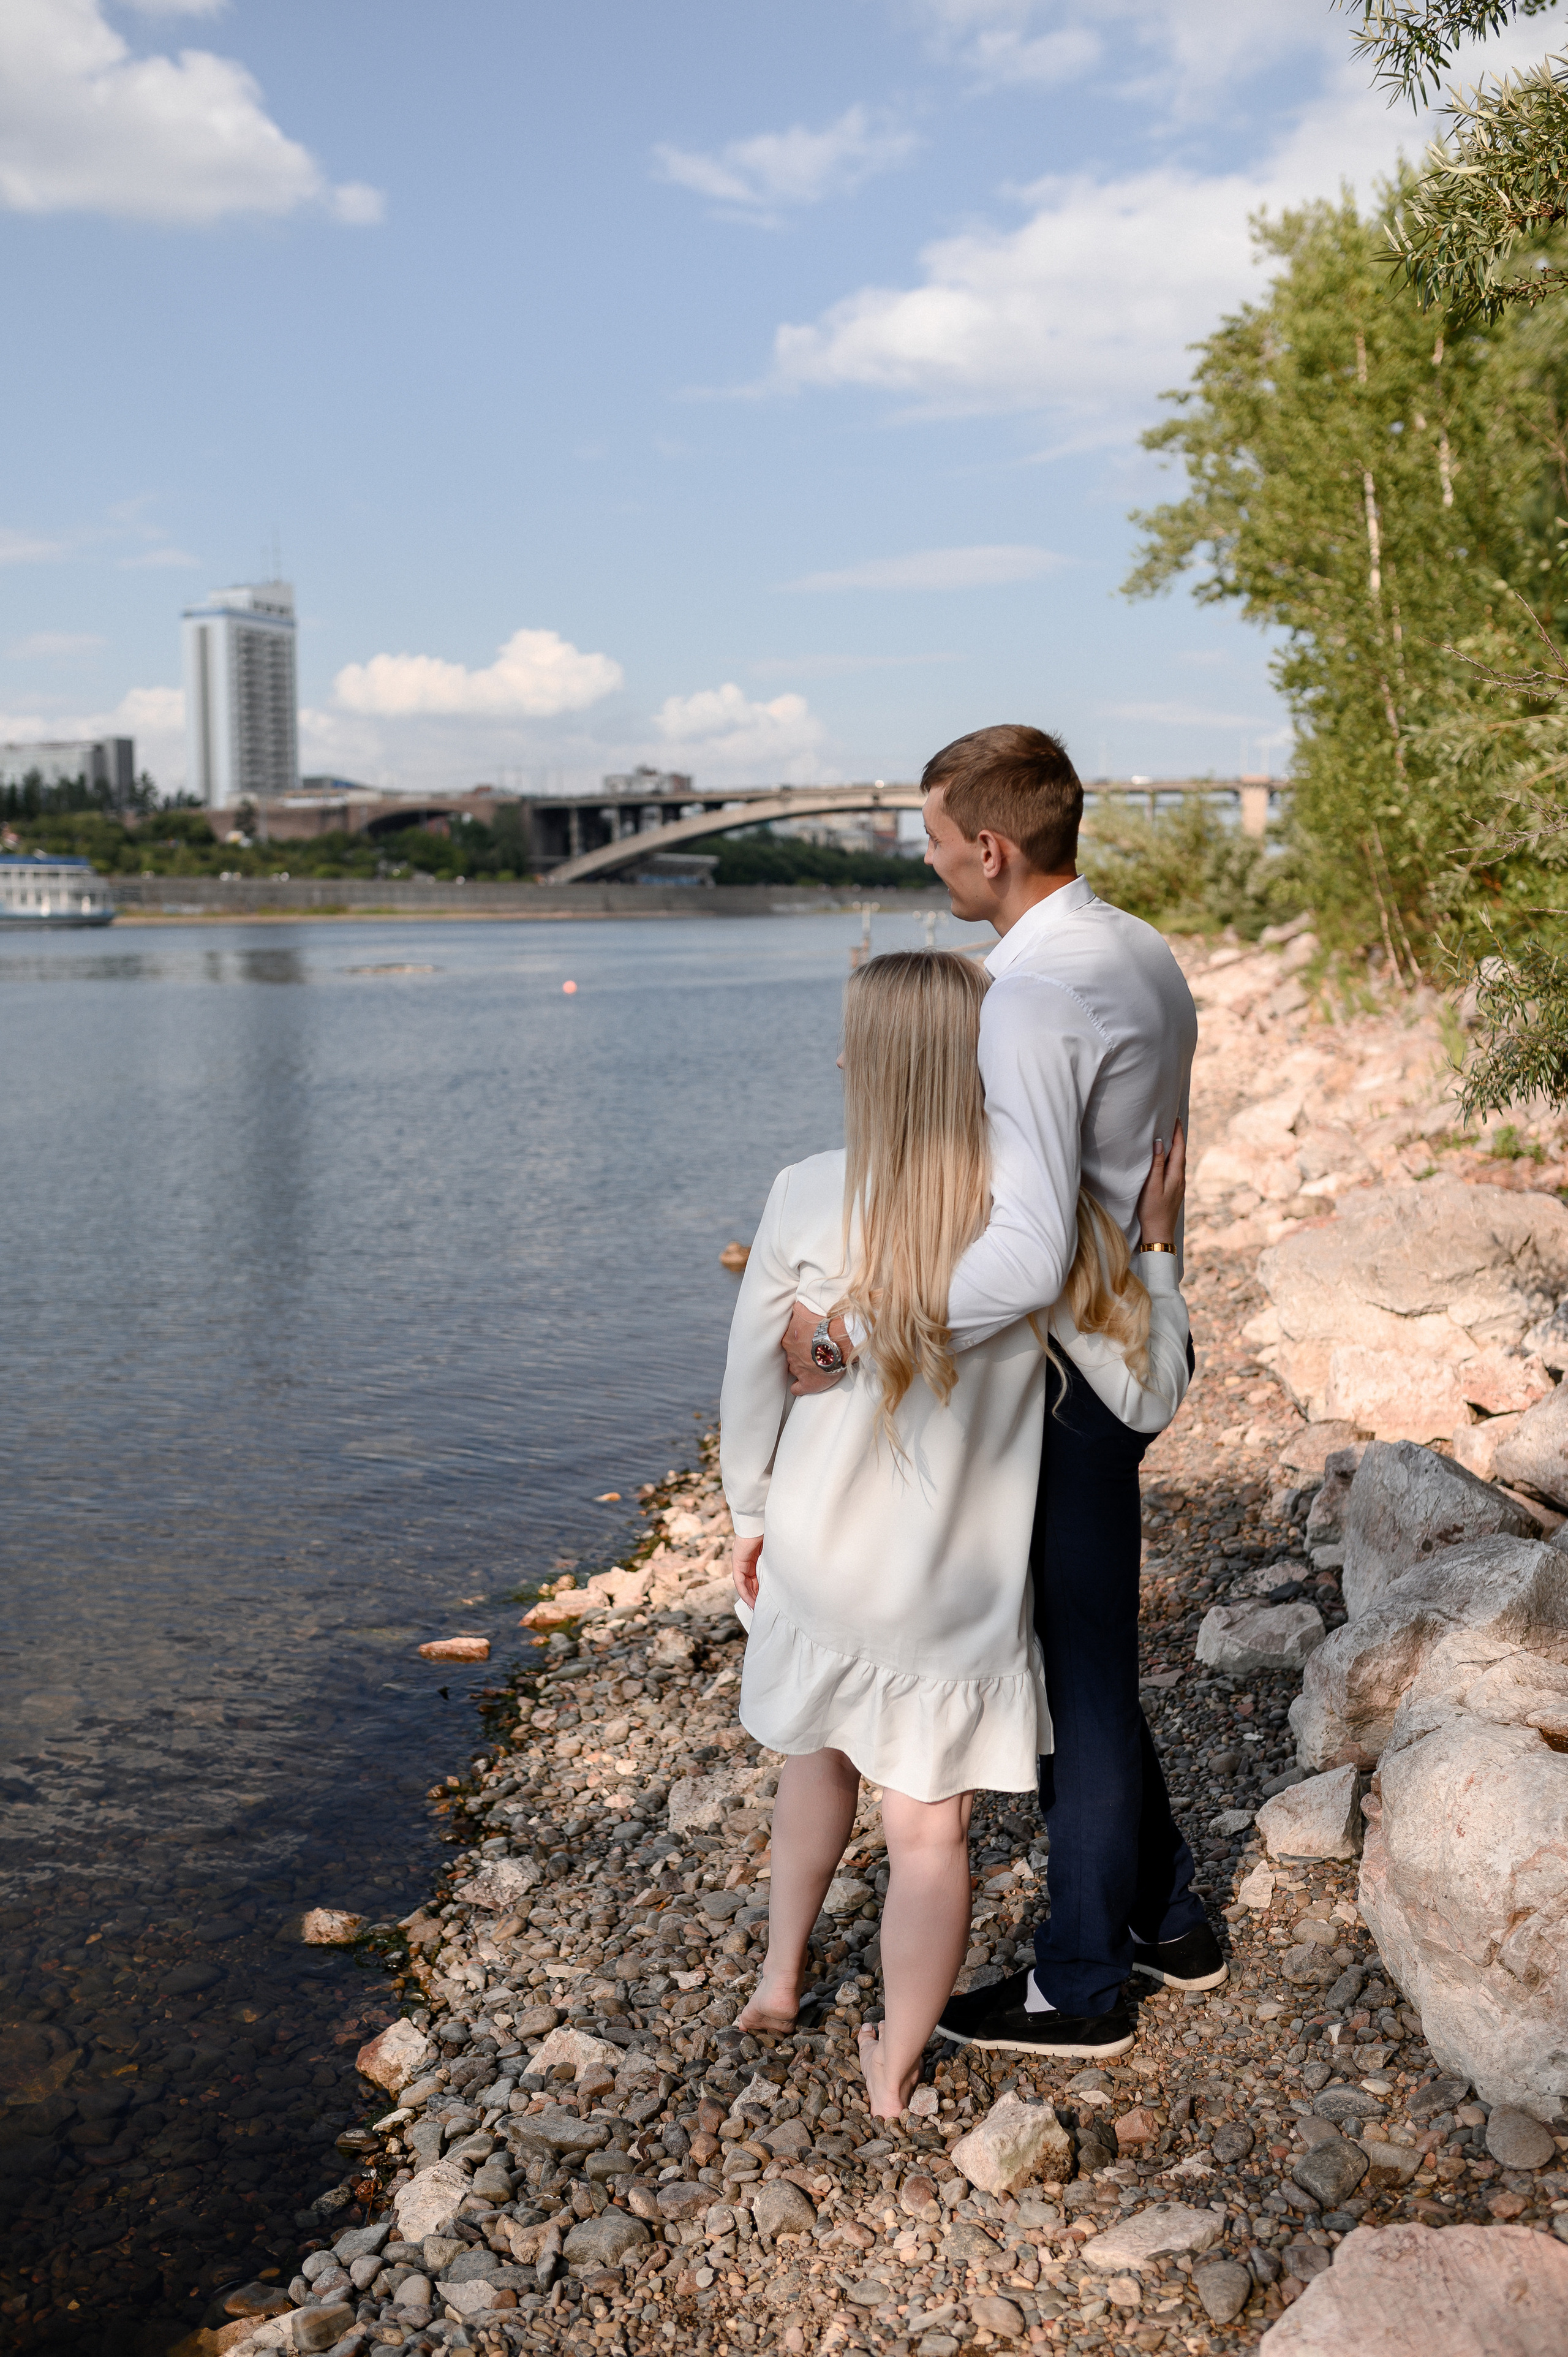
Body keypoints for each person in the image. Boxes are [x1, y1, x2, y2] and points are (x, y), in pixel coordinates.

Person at [782, 724, 1220, 2063]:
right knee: (1081, 1657)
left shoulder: (1026, 998)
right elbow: (1139, 1169)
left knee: (1071, 1682)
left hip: (1063, 1368)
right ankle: (1166, 1920)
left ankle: (1079, 1984)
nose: (925, 862)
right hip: (1122, 1332)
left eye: (931, 840)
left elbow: (1024, 1253)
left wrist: (855, 1325)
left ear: (991, 847)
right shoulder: (1139, 952)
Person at [720, 948, 1190, 2116]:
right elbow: (1147, 1397)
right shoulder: (1043, 1227)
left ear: (878, 1064)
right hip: (954, 1585)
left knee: (816, 1755)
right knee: (929, 1835)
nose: (838, 1058)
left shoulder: (808, 1191)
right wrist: (1158, 1250)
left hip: (827, 1550)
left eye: (851, 1041)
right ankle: (893, 2071)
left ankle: (779, 1981)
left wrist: (747, 1512)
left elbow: (752, 1379)